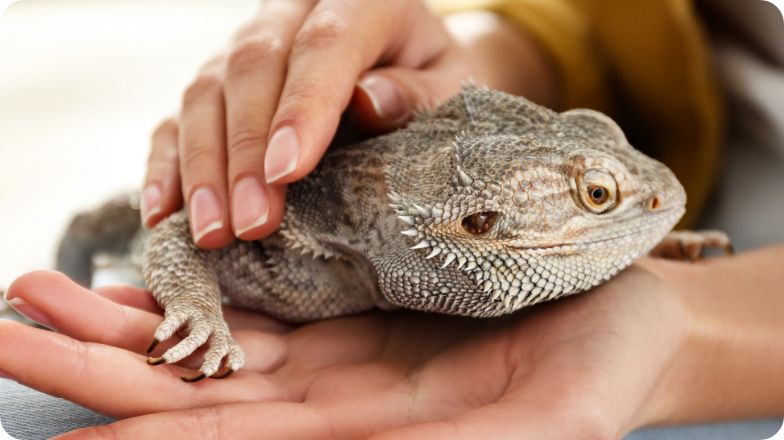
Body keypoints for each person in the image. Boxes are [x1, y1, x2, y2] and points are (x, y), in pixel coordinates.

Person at [1, 0, 783, 438]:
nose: (650, 197)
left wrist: (653, 267)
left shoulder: (516, 233)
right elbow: (177, 233)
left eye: (598, 198)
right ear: (476, 223)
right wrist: (488, 47)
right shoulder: (301, 233)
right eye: (600, 199)